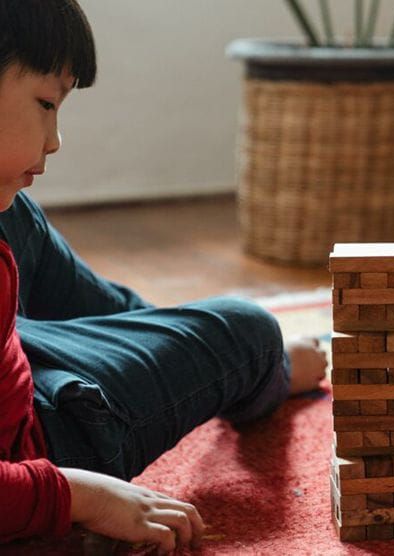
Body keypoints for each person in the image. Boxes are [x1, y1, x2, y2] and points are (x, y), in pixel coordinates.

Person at [0, 0, 327, 552]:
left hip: (20, 375)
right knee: (246, 329)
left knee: (15, 211)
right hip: (47, 446)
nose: (55, 140)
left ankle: (159, 336)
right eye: (45, 104)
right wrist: (83, 496)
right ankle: (258, 369)